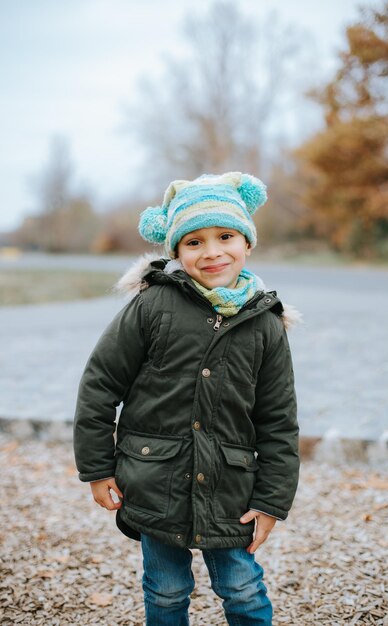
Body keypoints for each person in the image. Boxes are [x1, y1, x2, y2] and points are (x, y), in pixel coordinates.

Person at [73, 171, 301, 625]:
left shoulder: (266, 325)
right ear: (176, 252)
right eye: (194, 242)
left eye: (225, 236)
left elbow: (278, 420)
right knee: (165, 589)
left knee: (242, 588)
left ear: (247, 244)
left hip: (231, 490)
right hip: (155, 479)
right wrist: (97, 469)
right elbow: (100, 384)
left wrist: (273, 500)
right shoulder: (152, 306)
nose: (212, 251)